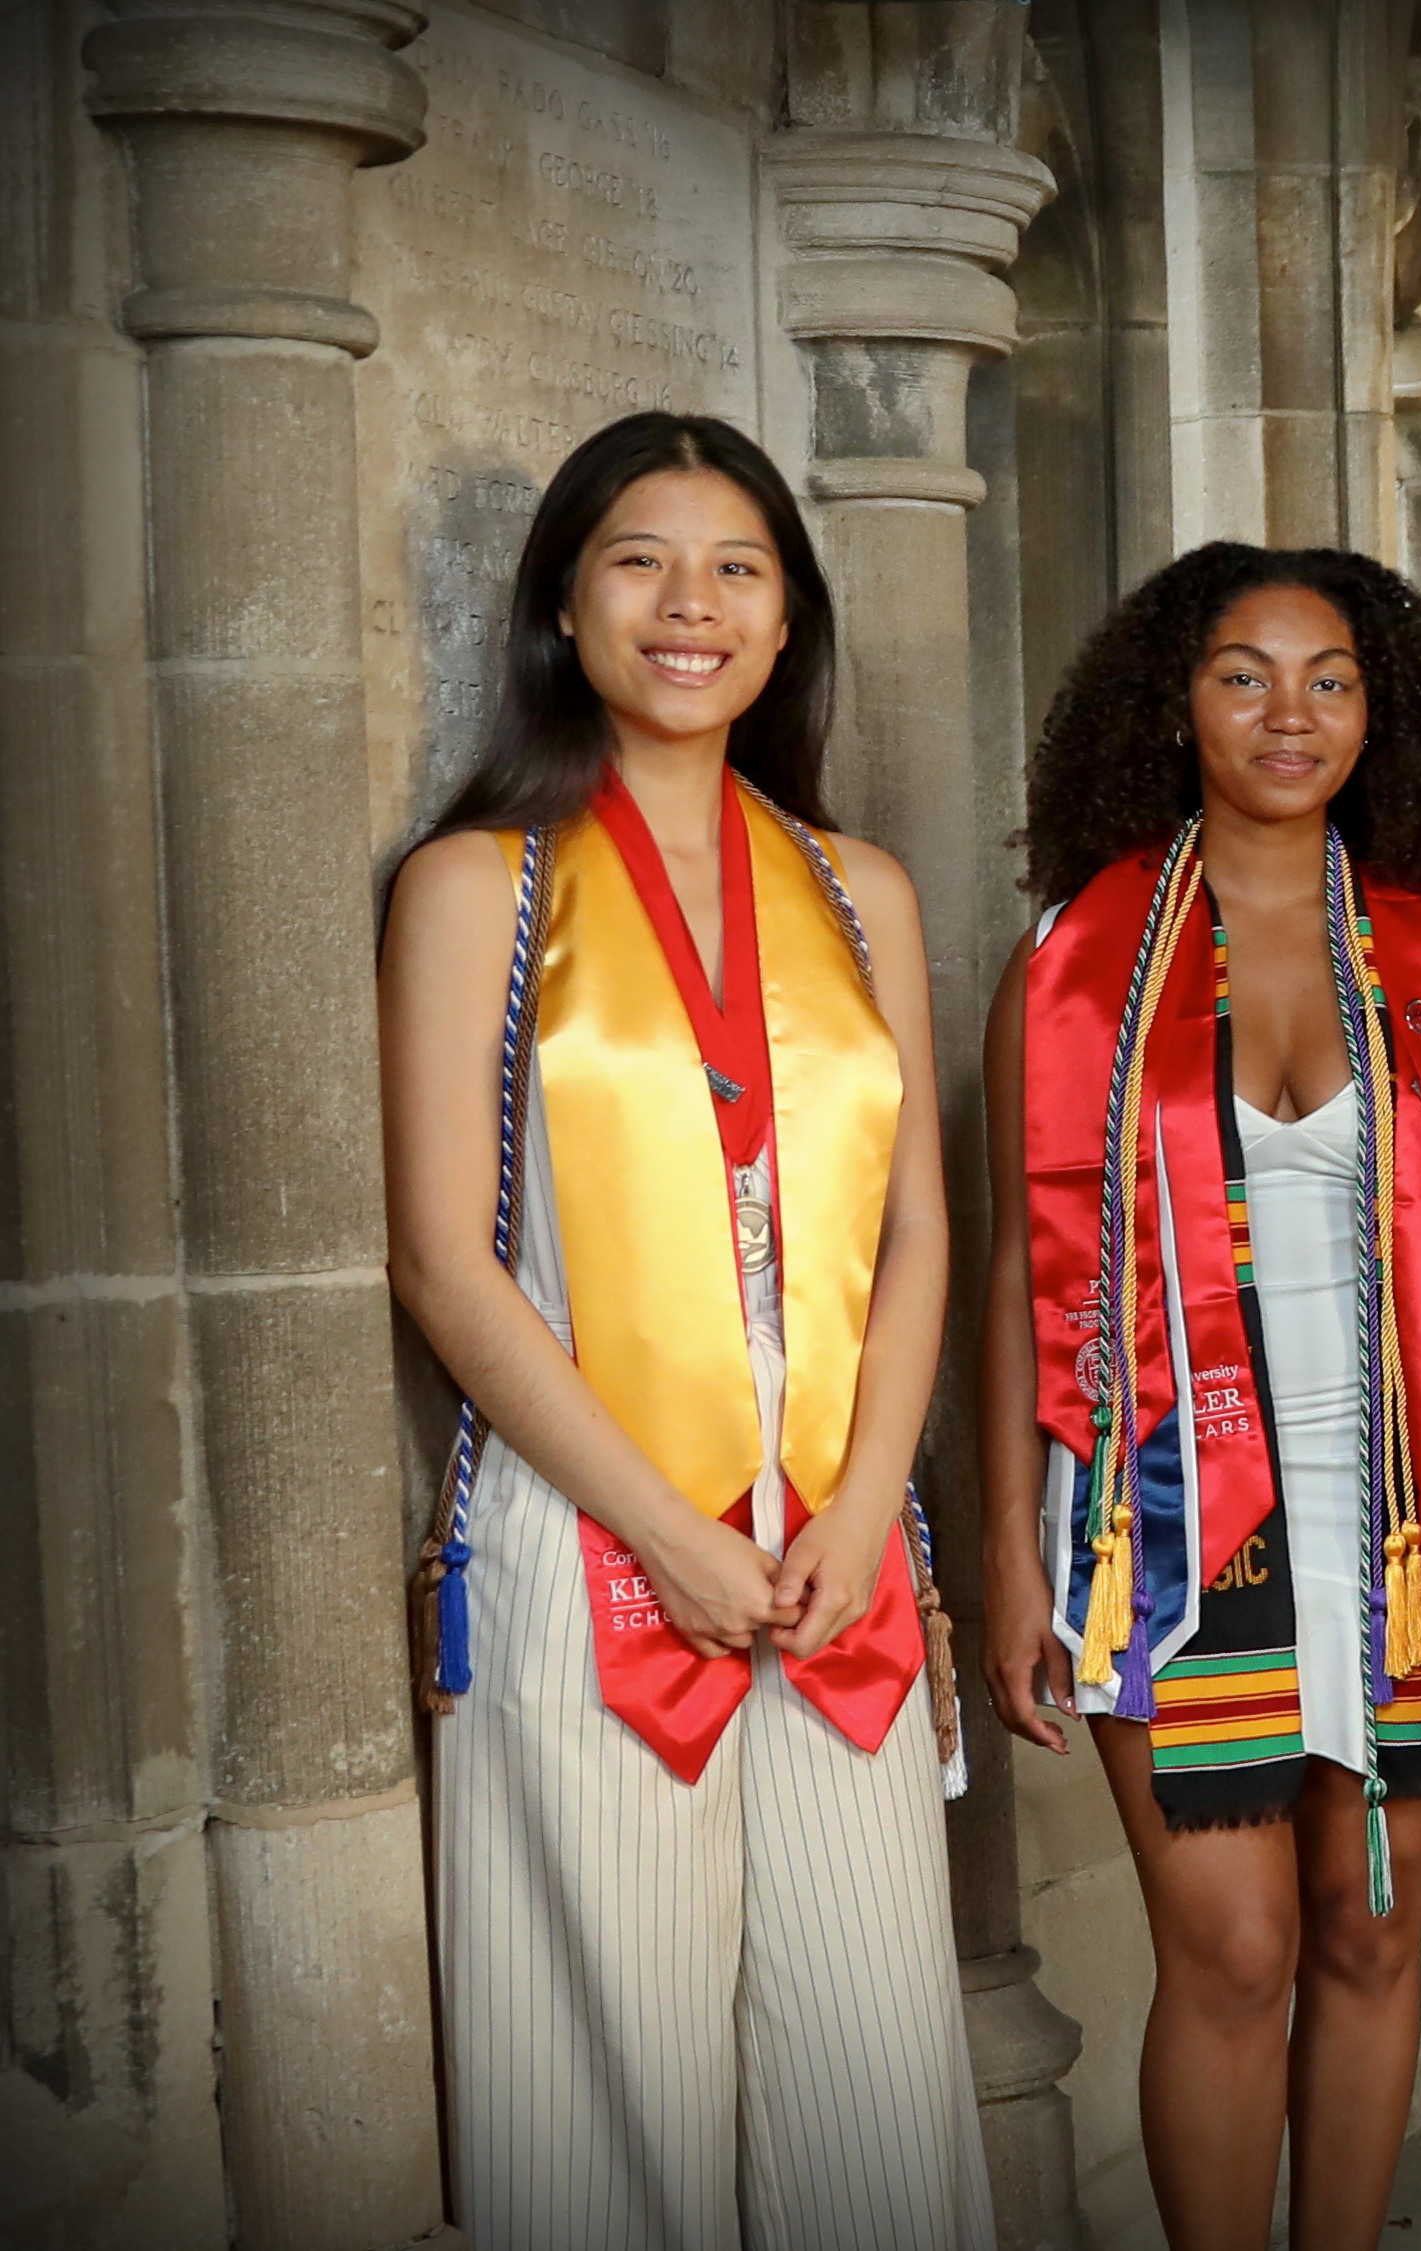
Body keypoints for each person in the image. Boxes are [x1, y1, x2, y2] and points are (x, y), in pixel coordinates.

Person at [380, 410, 994, 2248]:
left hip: (836, 1551)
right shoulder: (476, 887)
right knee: (608, 2102)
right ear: (565, 605)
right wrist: (665, 1536)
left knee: (872, 2087)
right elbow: (441, 1261)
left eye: (737, 567)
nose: (689, 605)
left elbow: (917, 1238)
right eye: (639, 559)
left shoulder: (852, 888)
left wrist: (875, 1504)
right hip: (594, 1546)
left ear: (789, 621)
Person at [975, 543, 1421, 2251]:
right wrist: (1011, 1560)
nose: (1289, 713)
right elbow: (1015, 1289)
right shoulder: (1080, 957)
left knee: (1372, 1933)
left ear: (1378, 712)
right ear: (1174, 701)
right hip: (1161, 1511)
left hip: (1411, 1512)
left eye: (1330, 678)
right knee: (1233, 1951)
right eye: (1245, 673)